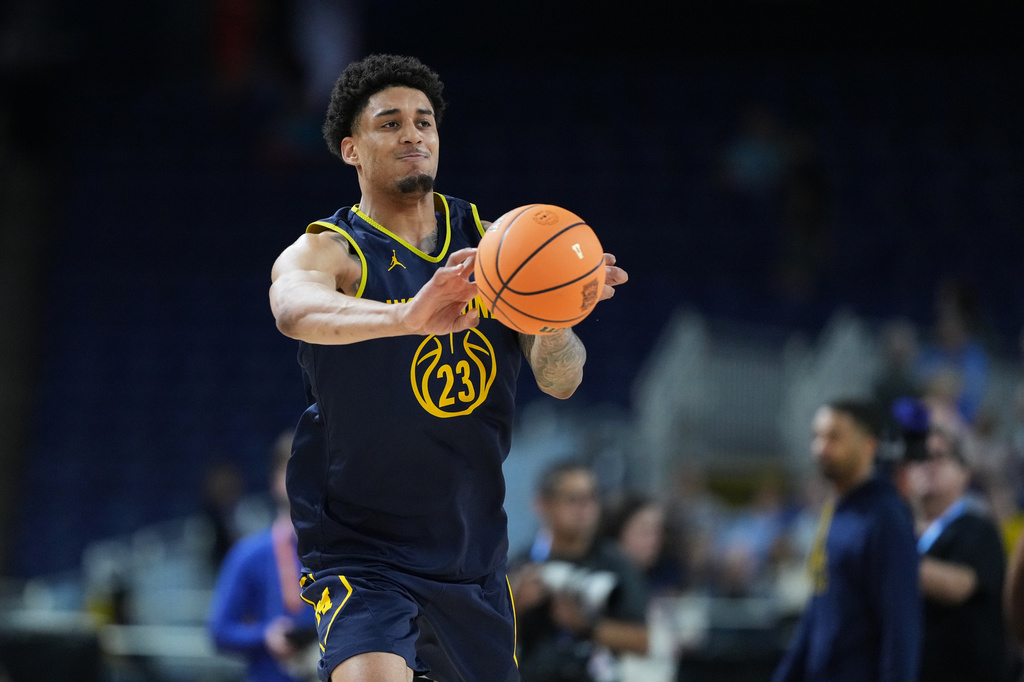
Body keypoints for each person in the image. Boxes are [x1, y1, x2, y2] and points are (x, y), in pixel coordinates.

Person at [268, 54, 628, 682]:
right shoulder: (332, 249)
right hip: (362, 548)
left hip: (472, 554)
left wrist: (556, 311)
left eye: (424, 122)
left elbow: (561, 378)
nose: (413, 134)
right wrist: (408, 316)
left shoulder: (500, 249)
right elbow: (293, 308)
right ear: (352, 149)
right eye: (390, 123)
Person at [772, 399, 921, 682]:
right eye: (816, 437)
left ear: (868, 445)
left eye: (834, 437)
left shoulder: (886, 518)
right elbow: (818, 611)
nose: (820, 448)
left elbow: (900, 626)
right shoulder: (837, 512)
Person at [509, 461, 649, 682]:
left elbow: (642, 640)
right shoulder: (525, 562)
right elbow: (485, 636)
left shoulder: (615, 562)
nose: (585, 509)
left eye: (591, 497)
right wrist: (515, 606)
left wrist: (587, 626)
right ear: (543, 504)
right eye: (573, 499)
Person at [208, 430, 319, 682]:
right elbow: (219, 630)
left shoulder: (340, 552)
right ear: (274, 481)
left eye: (311, 469)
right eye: (292, 469)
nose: (302, 479)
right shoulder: (249, 555)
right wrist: (264, 635)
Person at [907, 426, 1010, 682]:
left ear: (964, 472)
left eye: (939, 457)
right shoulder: (908, 534)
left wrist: (891, 556)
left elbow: (958, 586)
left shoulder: (977, 528)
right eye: (919, 458)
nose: (927, 466)